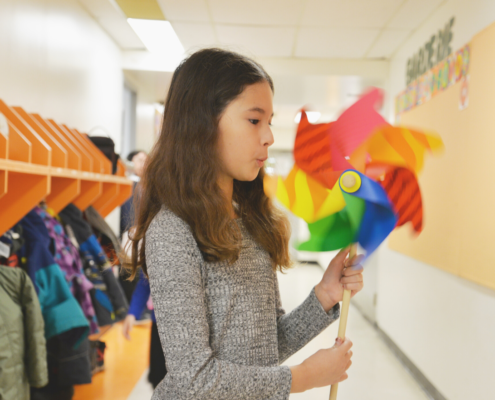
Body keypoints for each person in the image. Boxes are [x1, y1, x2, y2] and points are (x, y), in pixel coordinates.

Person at [125, 48, 364, 399]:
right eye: (254, 120)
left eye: (269, 121)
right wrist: (302, 377)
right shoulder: (173, 231)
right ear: (202, 124)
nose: (268, 136)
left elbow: (265, 349)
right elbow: (194, 379)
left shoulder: (252, 223)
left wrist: (324, 296)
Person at [121, 268, 166, 389]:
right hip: (160, 324)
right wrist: (132, 313)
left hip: (191, 326)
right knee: (158, 375)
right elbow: (144, 284)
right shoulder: (152, 252)